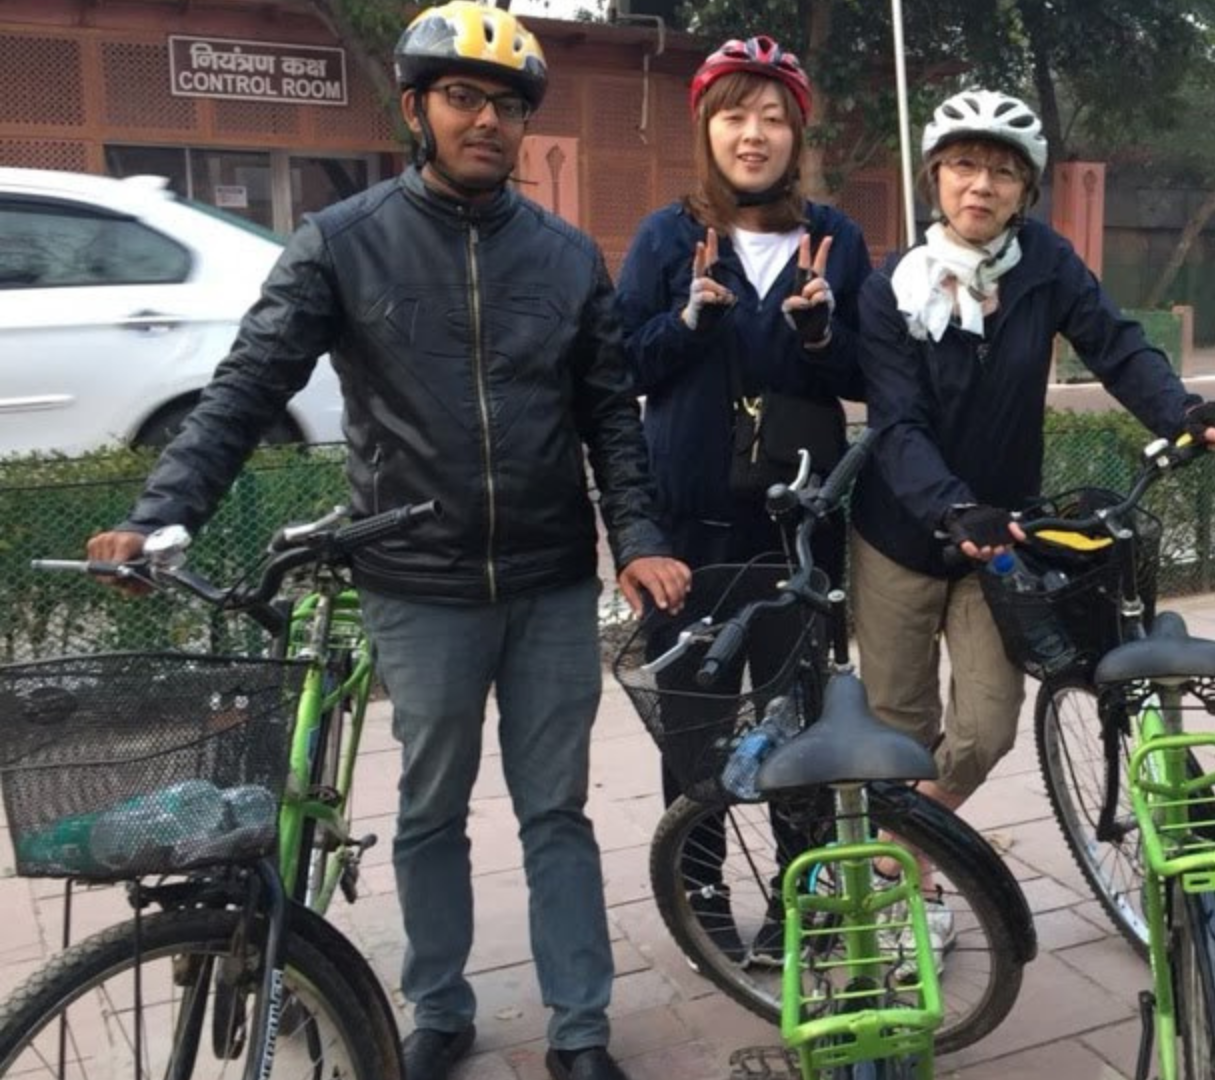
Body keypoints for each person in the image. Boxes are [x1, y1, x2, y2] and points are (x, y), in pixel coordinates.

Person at [85, 5, 691, 1079]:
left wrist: (637, 534)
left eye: (507, 105)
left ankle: (580, 1028)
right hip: (418, 585)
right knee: (430, 809)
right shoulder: (344, 242)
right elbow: (246, 388)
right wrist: (159, 513)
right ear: (416, 107)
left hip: (551, 582)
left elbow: (609, 415)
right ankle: (440, 1009)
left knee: (556, 810)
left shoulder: (564, 257)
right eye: (463, 97)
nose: (487, 120)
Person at [852, 88, 1215, 949]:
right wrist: (952, 505)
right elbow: (896, 425)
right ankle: (905, 881)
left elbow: (1114, 343)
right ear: (934, 178)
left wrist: (1178, 409)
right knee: (900, 727)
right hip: (901, 537)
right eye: (963, 165)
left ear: (1025, 191)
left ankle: (898, 843)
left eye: (1002, 172)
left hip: (1002, 537)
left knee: (986, 725)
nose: (980, 186)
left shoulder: (1045, 265)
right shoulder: (890, 288)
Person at [613, 33, 867, 966]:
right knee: (694, 724)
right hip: (689, 530)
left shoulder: (833, 239)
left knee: (797, 716)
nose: (753, 135)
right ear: (707, 130)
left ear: (796, 135)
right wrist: (688, 321)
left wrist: (820, 334)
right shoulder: (666, 237)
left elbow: (866, 374)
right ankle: (703, 892)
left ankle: (802, 895)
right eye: (734, 117)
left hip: (795, 531)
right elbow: (621, 366)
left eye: (771, 118)